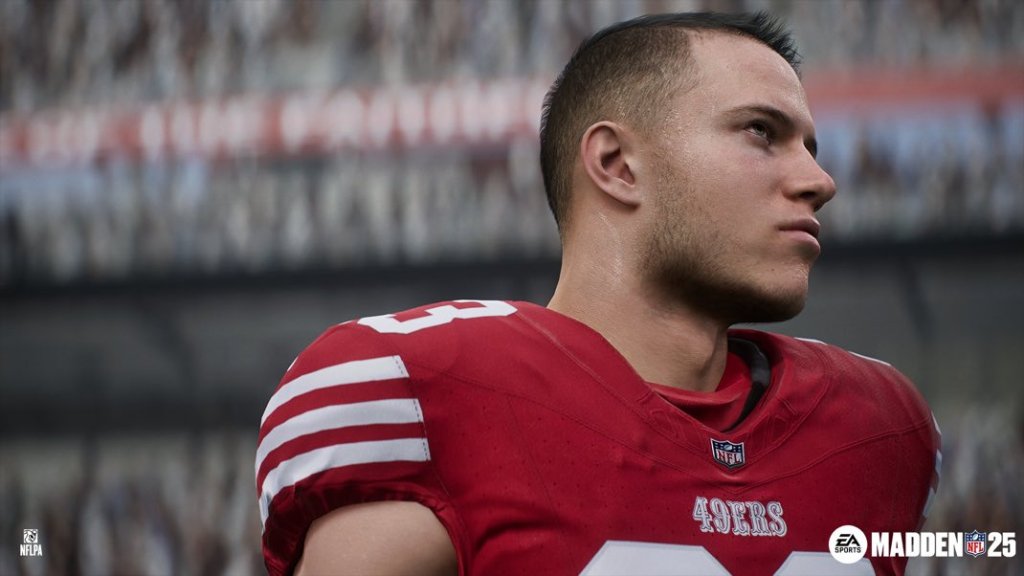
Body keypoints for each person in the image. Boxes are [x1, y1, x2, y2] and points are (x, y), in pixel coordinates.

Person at [256, 12, 940, 576]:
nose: (819, 180)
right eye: (762, 132)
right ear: (617, 165)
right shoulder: (423, 395)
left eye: (810, 146)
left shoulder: (878, 426)